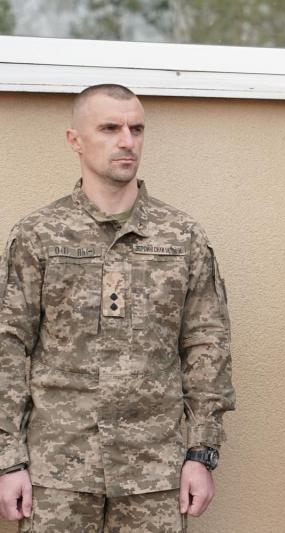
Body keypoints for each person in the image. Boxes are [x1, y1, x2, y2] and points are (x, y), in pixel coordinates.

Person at [0, 84, 235, 532]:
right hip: (57, 472)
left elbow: (208, 346)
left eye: (136, 129)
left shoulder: (181, 237)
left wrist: (201, 452)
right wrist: (8, 459)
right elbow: (7, 346)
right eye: (110, 128)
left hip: (155, 474)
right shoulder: (38, 236)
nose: (127, 140)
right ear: (75, 140)